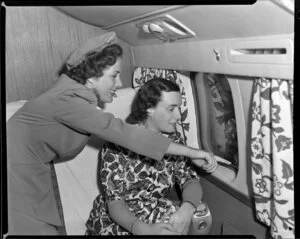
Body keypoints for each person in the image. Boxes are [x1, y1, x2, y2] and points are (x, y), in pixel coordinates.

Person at [6, 32, 219, 235]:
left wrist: (187, 207)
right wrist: (193, 152)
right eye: (114, 75)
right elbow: (122, 133)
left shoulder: (80, 99)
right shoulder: (69, 101)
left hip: (31, 167)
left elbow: (187, 178)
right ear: (91, 76)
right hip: (13, 168)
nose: (119, 83)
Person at [85, 78, 212, 235]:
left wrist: (188, 206)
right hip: (118, 218)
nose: (179, 116)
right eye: (171, 109)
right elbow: (115, 203)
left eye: (179, 108)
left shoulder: (174, 143)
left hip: (152, 209)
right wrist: (142, 229)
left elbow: (190, 180)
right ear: (149, 109)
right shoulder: (116, 145)